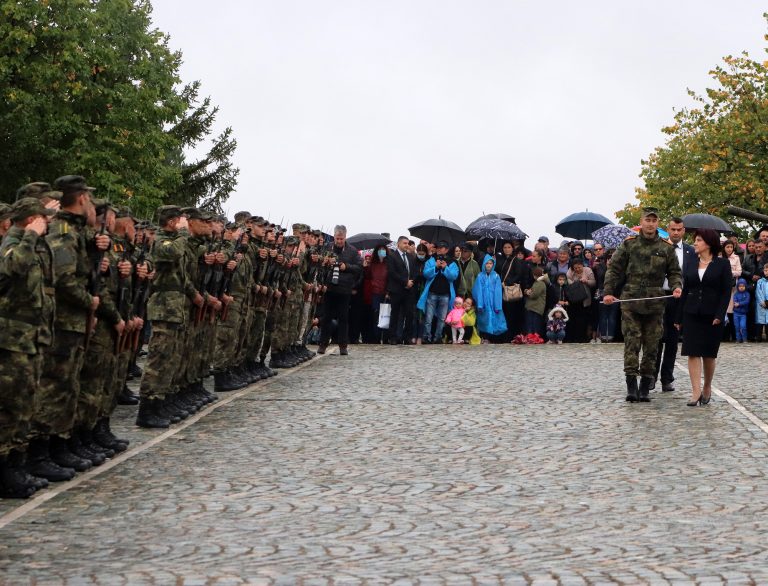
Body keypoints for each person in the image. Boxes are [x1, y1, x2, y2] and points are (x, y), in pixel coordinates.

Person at [0, 198, 56, 497]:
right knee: (9, 405)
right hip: (11, 339)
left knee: (24, 403)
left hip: (31, 337)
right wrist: (30, 234)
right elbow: (12, 266)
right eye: (42, 218)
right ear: (30, 219)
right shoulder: (12, 242)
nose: (47, 223)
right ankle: (6, 470)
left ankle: (17, 465)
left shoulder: (34, 245)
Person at [603, 207, 682, 403]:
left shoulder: (666, 247)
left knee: (652, 345)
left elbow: (674, 272)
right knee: (632, 342)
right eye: (647, 220)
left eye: (654, 220)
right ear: (642, 221)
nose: (650, 224)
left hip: (655, 302)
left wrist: (676, 287)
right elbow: (614, 270)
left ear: (658, 223)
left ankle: (646, 385)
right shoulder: (629, 245)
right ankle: (631, 384)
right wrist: (608, 292)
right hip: (631, 300)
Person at [674, 229, 733, 406]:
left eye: (698, 240)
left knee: (708, 354)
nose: (695, 243)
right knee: (692, 352)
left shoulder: (722, 264)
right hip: (691, 312)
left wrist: (720, 314)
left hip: (712, 315)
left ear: (708, 243)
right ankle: (695, 391)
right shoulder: (691, 263)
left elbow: (725, 292)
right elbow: (685, 291)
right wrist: (678, 317)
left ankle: (707, 386)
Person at [652, 217, 695, 392]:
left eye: (679, 229)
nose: (676, 232)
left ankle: (667, 378)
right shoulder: (658, 248)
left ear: (684, 231)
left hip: (680, 298)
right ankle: (651, 377)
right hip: (660, 296)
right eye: (673, 229)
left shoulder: (690, 251)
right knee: (656, 338)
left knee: (672, 340)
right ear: (667, 230)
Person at [317, 225, 362, 355]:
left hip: (344, 289)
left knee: (343, 318)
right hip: (329, 288)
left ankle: (343, 345)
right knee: (326, 318)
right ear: (334, 236)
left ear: (345, 237)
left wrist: (346, 266)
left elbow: (358, 268)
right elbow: (318, 264)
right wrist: (325, 262)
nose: (339, 241)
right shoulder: (327, 248)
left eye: (341, 239)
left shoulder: (352, 251)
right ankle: (323, 344)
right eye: (337, 238)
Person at [417, 240, 459, 343]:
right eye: (438, 247)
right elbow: (426, 274)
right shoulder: (430, 261)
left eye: (442, 248)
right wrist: (435, 267)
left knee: (441, 319)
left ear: (447, 249)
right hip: (432, 293)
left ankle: (438, 337)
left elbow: (453, 276)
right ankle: (426, 337)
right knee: (428, 318)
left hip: (445, 295)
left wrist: (445, 268)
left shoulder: (452, 262)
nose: (440, 249)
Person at [385, 236, 417, 345]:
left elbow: (414, 271)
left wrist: (411, 281)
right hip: (397, 290)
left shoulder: (411, 257)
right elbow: (392, 273)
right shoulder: (392, 256)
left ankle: (407, 337)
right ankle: (393, 337)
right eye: (404, 243)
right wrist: (405, 282)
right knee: (395, 314)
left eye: (408, 243)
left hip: (409, 291)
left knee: (409, 314)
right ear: (398, 244)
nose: (406, 245)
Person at [472, 255, 507, 342]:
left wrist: (498, 305)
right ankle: (485, 337)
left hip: (493, 303)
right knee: (484, 320)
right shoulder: (480, 276)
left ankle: (494, 338)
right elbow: (478, 290)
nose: (488, 265)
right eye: (487, 263)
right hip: (484, 304)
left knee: (495, 320)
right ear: (484, 264)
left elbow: (498, 292)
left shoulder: (496, 276)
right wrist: (480, 304)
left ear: (493, 264)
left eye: (490, 263)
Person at [565, 258, 595, 342]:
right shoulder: (570, 271)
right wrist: (576, 282)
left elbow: (593, 282)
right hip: (574, 299)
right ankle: (574, 338)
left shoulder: (588, 270)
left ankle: (583, 338)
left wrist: (586, 281)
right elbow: (567, 281)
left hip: (585, 299)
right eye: (576, 268)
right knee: (574, 319)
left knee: (584, 320)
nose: (578, 269)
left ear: (582, 265)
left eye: (579, 267)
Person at [524, 266, 548, 336]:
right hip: (534, 307)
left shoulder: (540, 283)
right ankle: (532, 337)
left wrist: (528, 293)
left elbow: (534, 295)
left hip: (535, 307)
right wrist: (527, 291)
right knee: (532, 324)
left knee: (534, 325)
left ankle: (534, 338)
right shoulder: (538, 282)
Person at [733, 278, 750, 343]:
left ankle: (744, 339)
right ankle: (738, 339)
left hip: (743, 314)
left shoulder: (747, 294)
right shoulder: (736, 294)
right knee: (737, 327)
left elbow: (747, 301)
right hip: (736, 313)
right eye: (740, 286)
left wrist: (739, 303)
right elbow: (735, 302)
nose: (741, 287)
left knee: (743, 326)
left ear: (745, 286)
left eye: (743, 286)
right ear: (738, 287)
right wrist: (738, 304)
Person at [755, 263, 768, 342]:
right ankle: (758, 337)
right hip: (761, 305)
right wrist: (762, 302)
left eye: (767, 270)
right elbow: (758, 292)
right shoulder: (760, 281)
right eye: (765, 270)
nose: (766, 272)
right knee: (760, 321)